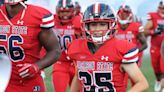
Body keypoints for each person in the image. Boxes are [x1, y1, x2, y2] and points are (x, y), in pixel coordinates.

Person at [68, 3, 149, 92]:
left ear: (111, 25)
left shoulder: (121, 48)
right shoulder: (77, 48)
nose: (98, 29)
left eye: (102, 24)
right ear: (86, 26)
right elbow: (78, 76)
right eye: (93, 24)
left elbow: (142, 83)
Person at [0, 0, 61, 92]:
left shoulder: (37, 16)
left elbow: (55, 50)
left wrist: (36, 66)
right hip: (2, 81)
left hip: (29, 82)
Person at [51, 0, 82, 92]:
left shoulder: (79, 21)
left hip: (77, 63)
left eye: (67, 12)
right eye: (62, 12)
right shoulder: (52, 21)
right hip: (60, 62)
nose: (64, 14)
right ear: (57, 11)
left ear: (73, 11)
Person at [116, 4, 147, 88]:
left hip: (133, 58)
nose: (123, 15)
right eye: (121, 13)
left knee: (136, 82)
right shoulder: (114, 27)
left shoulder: (136, 26)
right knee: (120, 82)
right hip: (118, 58)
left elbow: (145, 44)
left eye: (125, 13)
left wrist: (132, 52)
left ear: (130, 14)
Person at [144, 1, 164, 91]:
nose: (162, 11)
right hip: (155, 47)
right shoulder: (153, 16)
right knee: (156, 68)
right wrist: (154, 31)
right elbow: (145, 32)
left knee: (163, 68)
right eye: (161, 8)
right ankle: (158, 80)